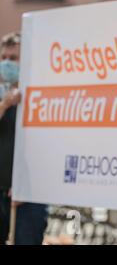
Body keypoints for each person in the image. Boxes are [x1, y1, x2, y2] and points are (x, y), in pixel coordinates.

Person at [0, 32, 48, 245]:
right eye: (4, 58)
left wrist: (23, 185)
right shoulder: (3, 95)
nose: (7, 63)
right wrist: (5, 104)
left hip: (29, 195)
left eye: (14, 58)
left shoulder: (40, 95)